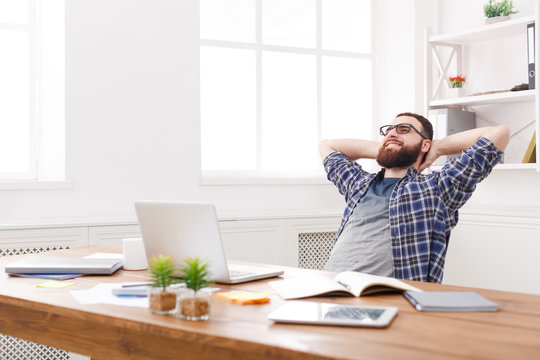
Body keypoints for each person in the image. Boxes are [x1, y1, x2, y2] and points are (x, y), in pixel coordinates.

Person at [319, 112, 510, 283]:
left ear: (425, 144)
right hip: (329, 289)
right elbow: (327, 145)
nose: (392, 133)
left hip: (387, 300)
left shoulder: (439, 187)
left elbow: (499, 134)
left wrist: (439, 147)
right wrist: (387, 146)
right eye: (388, 131)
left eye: (404, 130)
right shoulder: (358, 183)